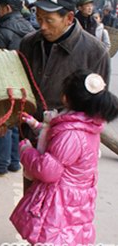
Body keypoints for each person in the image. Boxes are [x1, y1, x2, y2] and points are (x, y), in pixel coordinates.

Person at [19, 0, 110, 191]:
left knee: (62, 212)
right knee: (31, 208)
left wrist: (63, 134)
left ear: (69, 18)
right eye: (39, 18)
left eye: (49, 20)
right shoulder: (28, 44)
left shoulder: (95, 53)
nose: (42, 26)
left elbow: (97, 112)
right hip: (33, 142)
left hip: (70, 154)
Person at [10, 70, 118, 244]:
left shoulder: (70, 134)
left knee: (53, 238)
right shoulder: (87, 126)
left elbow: (47, 171)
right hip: (75, 200)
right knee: (69, 237)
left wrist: (26, 150)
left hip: (59, 201)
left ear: (66, 98)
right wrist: (35, 124)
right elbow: (55, 145)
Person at [0, 0, 35, 175]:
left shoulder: (2, 31)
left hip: (4, 83)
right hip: (25, 84)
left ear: (7, 8)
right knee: (15, 121)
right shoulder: (29, 27)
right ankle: (14, 161)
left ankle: (0, 163)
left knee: (2, 120)